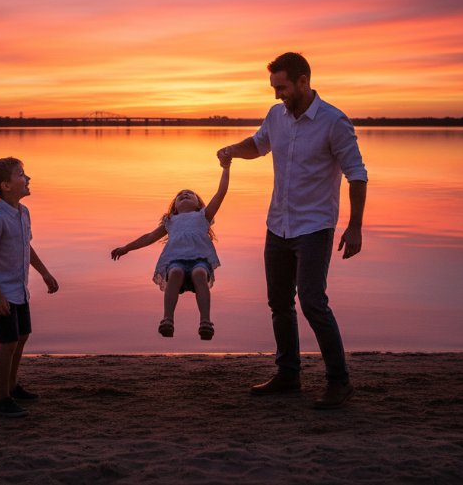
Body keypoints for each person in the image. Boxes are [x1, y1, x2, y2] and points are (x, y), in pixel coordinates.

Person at [217, 52, 367, 409]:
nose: (276, 95)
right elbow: (259, 145)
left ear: (303, 81)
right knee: (279, 304)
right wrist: (232, 150)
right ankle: (288, 374)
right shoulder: (275, 116)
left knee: (313, 302)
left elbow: (357, 174)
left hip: (315, 226)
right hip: (277, 225)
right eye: (273, 88)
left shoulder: (334, 122)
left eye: (281, 87)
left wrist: (355, 226)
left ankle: (339, 381)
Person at [111, 158, 231, 340]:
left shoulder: (203, 215)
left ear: (199, 204)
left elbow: (221, 193)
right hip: (176, 261)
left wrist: (226, 168)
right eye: (180, 195)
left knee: (199, 274)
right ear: (174, 206)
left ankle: (205, 322)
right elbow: (149, 237)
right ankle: (168, 320)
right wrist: (126, 247)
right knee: (175, 272)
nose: (184, 194)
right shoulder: (170, 221)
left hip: (200, 261)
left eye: (190, 194)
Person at [0, 157, 59, 418]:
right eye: (21, 175)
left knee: (22, 336)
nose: (28, 179)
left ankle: (12, 386)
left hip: (19, 289)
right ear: (6, 185)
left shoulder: (23, 213)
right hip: (1, 292)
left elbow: (27, 247)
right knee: (9, 342)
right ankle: (1, 399)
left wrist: (45, 273)